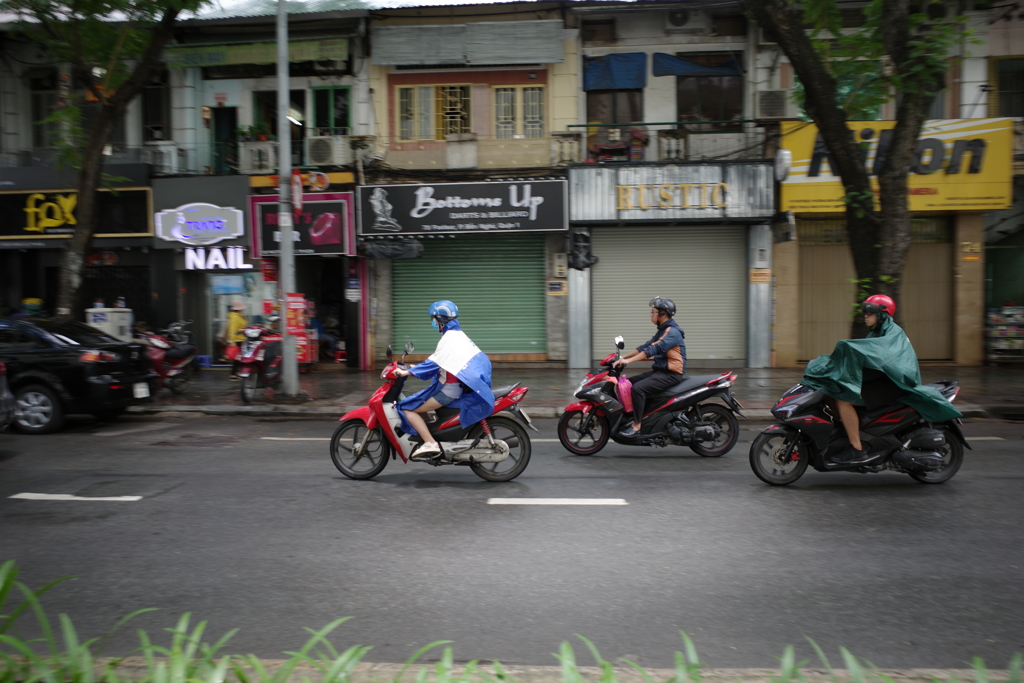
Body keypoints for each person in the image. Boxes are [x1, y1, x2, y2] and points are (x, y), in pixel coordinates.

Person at [802, 294, 963, 464]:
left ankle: (857, 449)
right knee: (832, 394)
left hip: (893, 386)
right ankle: (851, 436)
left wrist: (846, 347)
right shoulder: (877, 333)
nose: (865, 315)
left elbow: (881, 358)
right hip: (883, 382)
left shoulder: (892, 334)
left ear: (882, 314)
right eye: (865, 312)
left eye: (869, 312)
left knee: (844, 401)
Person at [394, 300, 494, 459]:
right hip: (454, 387)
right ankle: (428, 433)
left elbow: (434, 362)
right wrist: (414, 367)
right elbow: (442, 362)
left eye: (433, 319)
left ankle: (430, 443)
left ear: (441, 319)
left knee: (407, 408)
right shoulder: (457, 335)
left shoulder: (449, 338)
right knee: (419, 401)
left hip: (448, 391)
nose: (432, 322)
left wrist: (406, 373)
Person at [612, 296, 686, 438]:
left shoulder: (672, 332)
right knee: (629, 384)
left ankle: (637, 425)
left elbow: (652, 350)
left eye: (653, 312)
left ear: (662, 314)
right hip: (660, 372)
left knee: (638, 389)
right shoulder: (663, 330)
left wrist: (629, 361)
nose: (651, 315)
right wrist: (623, 358)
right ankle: (644, 416)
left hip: (671, 374)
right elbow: (645, 347)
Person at [219, 299, 248, 378]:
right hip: (237, 340)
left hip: (241, 339)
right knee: (237, 358)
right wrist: (232, 342)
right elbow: (232, 330)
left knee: (239, 357)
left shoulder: (238, 316)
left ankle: (236, 372)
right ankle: (233, 373)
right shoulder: (235, 317)